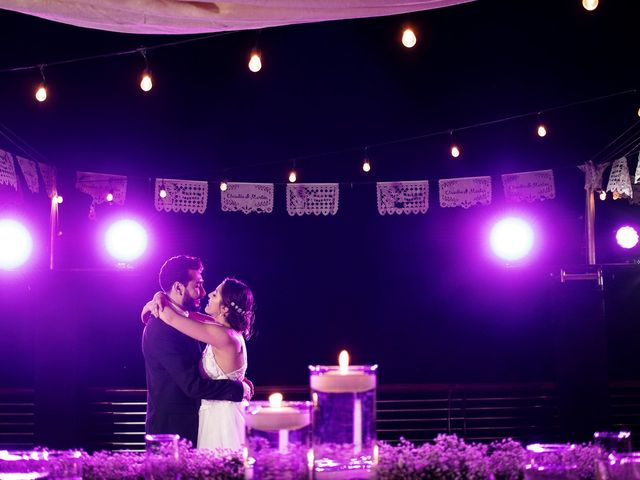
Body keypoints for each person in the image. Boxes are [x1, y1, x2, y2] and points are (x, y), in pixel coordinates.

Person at [141, 255, 251, 447]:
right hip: (171, 429)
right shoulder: (161, 327)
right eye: (198, 285)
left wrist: (158, 299)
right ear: (178, 287)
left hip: (207, 421)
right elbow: (192, 385)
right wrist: (237, 387)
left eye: (213, 293)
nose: (204, 293)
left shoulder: (207, 327)